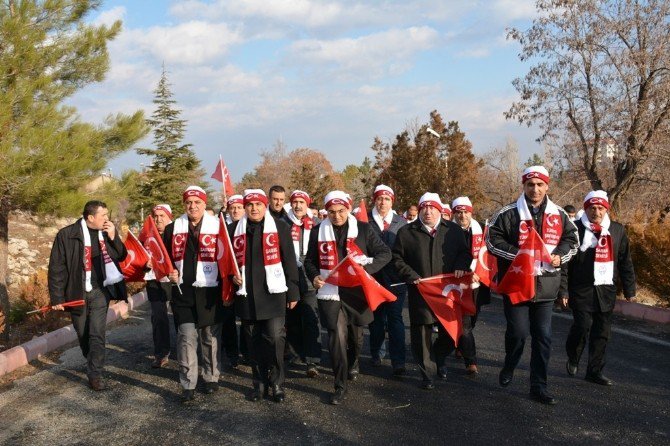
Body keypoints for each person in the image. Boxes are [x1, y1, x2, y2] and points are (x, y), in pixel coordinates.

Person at [487, 166, 578, 405]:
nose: (535, 189)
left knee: (543, 336)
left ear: (547, 186)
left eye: (539, 185)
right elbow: (492, 240)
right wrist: (520, 254)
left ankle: (538, 386)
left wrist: (560, 255)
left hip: (546, 286)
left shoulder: (559, 214)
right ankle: (510, 364)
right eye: (530, 185)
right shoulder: (508, 213)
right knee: (517, 333)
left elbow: (573, 240)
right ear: (524, 186)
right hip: (517, 283)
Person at [304, 190, 391, 405]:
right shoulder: (317, 232)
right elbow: (309, 261)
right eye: (332, 212)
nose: (337, 216)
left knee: (355, 337)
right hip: (330, 292)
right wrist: (314, 276)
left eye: (341, 211)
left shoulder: (362, 228)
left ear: (347, 208)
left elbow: (385, 254)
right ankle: (339, 384)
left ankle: (353, 362)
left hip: (356, 291)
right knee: (336, 336)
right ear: (326, 212)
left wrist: (365, 268)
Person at [392, 193, 471, 389]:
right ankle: (427, 373)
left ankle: (438, 357)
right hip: (421, 291)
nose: (428, 211)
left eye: (432, 208)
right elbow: (397, 259)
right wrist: (410, 275)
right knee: (421, 331)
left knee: (452, 333)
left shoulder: (453, 230)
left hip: (447, 292)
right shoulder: (406, 232)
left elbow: (465, 252)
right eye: (424, 208)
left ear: (439, 210)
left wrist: (462, 264)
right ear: (419, 210)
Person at [229, 189, 300, 403]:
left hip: (274, 293)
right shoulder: (233, 229)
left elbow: (289, 261)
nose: (254, 208)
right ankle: (258, 383)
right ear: (244, 207)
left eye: (258, 204)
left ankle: (277, 382)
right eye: (250, 205)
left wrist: (293, 292)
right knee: (252, 341)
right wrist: (231, 276)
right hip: (246, 296)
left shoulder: (280, 227)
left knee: (276, 338)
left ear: (265, 205)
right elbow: (226, 263)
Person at [48, 200, 128, 391]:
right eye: (103, 215)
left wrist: (114, 237)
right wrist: (57, 298)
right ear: (91, 217)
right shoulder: (67, 235)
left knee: (97, 333)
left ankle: (95, 375)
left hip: (101, 291)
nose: (107, 219)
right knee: (83, 333)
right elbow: (57, 268)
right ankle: (91, 359)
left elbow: (121, 256)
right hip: (76, 292)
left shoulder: (106, 233)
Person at [563, 190, 636, 386]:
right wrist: (564, 290)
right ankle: (573, 355)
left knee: (602, 332)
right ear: (586, 209)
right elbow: (565, 263)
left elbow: (625, 261)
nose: (597, 212)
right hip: (581, 289)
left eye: (601, 208)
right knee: (582, 326)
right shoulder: (574, 229)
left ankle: (594, 371)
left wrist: (630, 289)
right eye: (592, 208)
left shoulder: (617, 230)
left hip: (605, 290)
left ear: (606, 209)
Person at [164, 186, 225, 403]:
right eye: (189, 203)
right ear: (184, 205)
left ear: (204, 204)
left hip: (209, 291)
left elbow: (225, 256)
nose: (193, 206)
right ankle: (188, 382)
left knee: (209, 337)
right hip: (183, 292)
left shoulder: (217, 227)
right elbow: (164, 258)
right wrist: (168, 271)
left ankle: (210, 377)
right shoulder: (173, 229)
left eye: (197, 202)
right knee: (186, 337)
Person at [448, 196, 492, 375]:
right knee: (464, 320)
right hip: (456, 281)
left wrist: (481, 273)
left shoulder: (482, 229)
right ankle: (471, 361)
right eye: (459, 212)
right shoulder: (448, 230)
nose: (462, 216)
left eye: (465, 212)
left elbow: (488, 254)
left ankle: (461, 343)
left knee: (472, 318)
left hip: (478, 282)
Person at [367, 185, 407, 376]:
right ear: (374, 200)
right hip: (372, 279)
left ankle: (398, 361)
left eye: (387, 199)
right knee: (375, 322)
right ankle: (376, 352)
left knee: (395, 320)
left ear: (393, 201)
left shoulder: (401, 222)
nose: (383, 202)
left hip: (396, 279)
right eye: (380, 198)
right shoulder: (365, 220)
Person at [283, 190, 322, 377]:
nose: (298, 205)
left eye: (301, 202)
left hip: (309, 277)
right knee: (292, 318)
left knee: (311, 318)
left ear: (307, 204)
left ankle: (313, 360)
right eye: (295, 202)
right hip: (289, 277)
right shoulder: (283, 223)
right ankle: (296, 353)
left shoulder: (316, 225)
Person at [146, 204, 173, 368]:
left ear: (169, 217)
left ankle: (188, 352)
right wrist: (145, 263)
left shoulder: (177, 234)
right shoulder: (148, 238)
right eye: (155, 216)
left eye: (162, 216)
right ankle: (161, 353)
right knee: (158, 318)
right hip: (155, 283)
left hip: (175, 281)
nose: (158, 219)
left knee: (182, 319)